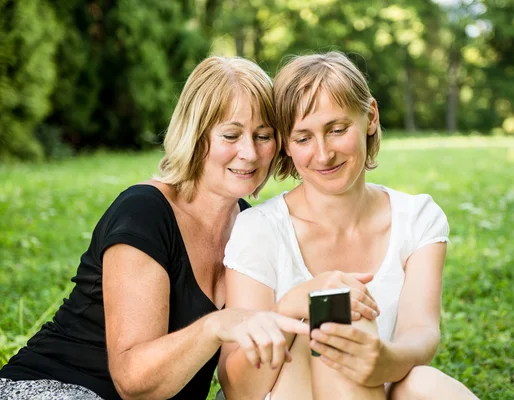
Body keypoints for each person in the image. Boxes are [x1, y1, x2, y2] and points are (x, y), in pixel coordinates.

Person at [0, 56, 308, 400]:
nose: (249, 153)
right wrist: (215, 326)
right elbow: (132, 381)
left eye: (263, 135)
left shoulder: (254, 229)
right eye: (231, 135)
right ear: (196, 135)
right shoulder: (145, 211)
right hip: (55, 388)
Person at [218, 51, 479, 399]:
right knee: (335, 311)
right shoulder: (260, 229)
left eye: (337, 130)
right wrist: (290, 308)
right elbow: (238, 390)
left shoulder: (416, 219)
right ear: (286, 145)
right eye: (303, 138)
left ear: (370, 117)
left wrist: (382, 360)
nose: (323, 154)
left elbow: (421, 334)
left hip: (376, 390)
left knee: (422, 384)